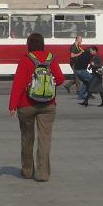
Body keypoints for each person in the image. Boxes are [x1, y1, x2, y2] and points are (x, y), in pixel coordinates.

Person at [8, 33, 64, 182]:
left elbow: (18, 85)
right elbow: (60, 79)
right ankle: (42, 174)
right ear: (43, 44)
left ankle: (27, 171)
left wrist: (12, 105)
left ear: (29, 45)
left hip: (27, 105)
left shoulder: (26, 60)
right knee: (44, 140)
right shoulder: (50, 58)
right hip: (48, 105)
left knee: (27, 138)